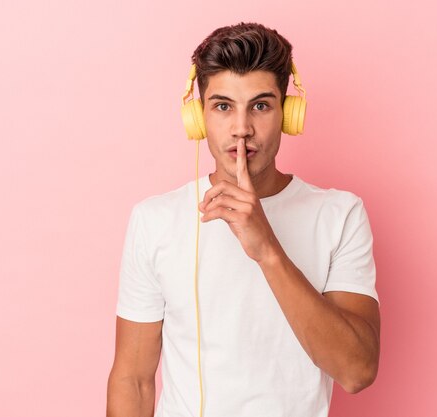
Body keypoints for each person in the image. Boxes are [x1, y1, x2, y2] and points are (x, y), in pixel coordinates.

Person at [107, 22, 381, 417]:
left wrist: (266, 248)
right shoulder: (154, 220)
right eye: (222, 107)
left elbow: (356, 371)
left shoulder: (340, 215)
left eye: (261, 105)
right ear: (198, 118)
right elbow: (133, 379)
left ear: (288, 114)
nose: (242, 128)